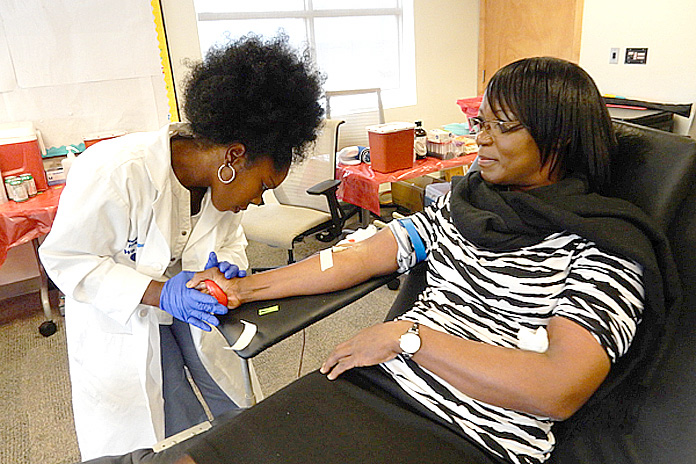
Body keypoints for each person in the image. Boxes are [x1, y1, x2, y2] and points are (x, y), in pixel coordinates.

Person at [79, 57, 676, 464]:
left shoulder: (602, 248)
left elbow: (556, 391)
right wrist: (242, 290)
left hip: (472, 433)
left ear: (559, 140)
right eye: (481, 123)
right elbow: (360, 255)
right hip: (374, 382)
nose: (482, 139)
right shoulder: (469, 204)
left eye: (502, 128)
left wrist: (408, 338)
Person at [39, 34, 324, 460]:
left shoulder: (222, 188)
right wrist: (161, 293)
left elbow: (230, 241)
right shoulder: (115, 171)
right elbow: (66, 260)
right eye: (263, 185)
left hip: (188, 308)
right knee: (147, 428)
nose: (260, 200)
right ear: (234, 156)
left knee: (234, 406)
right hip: (124, 313)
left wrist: (225, 267)